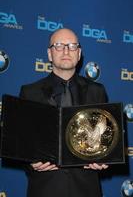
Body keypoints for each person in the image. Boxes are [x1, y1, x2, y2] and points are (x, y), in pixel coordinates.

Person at [19, 28, 109, 197]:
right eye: (59, 45)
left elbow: (105, 139)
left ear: (79, 53)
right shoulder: (29, 92)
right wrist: (30, 162)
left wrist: (104, 158)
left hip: (86, 189)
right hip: (45, 188)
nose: (66, 51)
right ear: (49, 53)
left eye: (72, 46)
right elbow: (21, 144)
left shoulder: (97, 92)